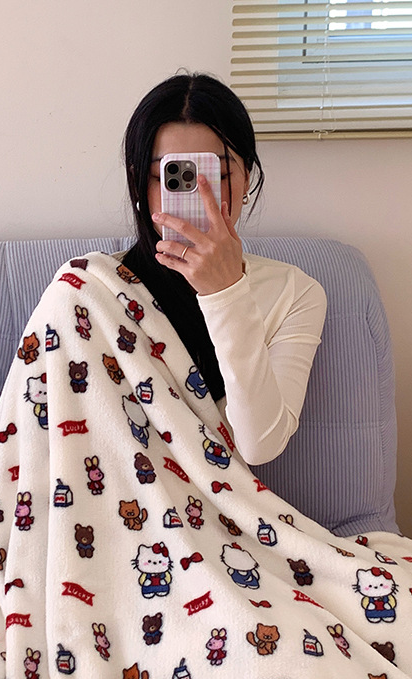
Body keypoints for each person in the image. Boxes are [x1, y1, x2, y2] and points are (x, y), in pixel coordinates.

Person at [119, 73, 327, 465]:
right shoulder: (90, 287)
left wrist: (226, 293)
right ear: (139, 183)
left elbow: (260, 446)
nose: (198, 194)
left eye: (214, 174)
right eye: (171, 176)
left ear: (246, 178)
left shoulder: (294, 293)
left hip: (217, 501)